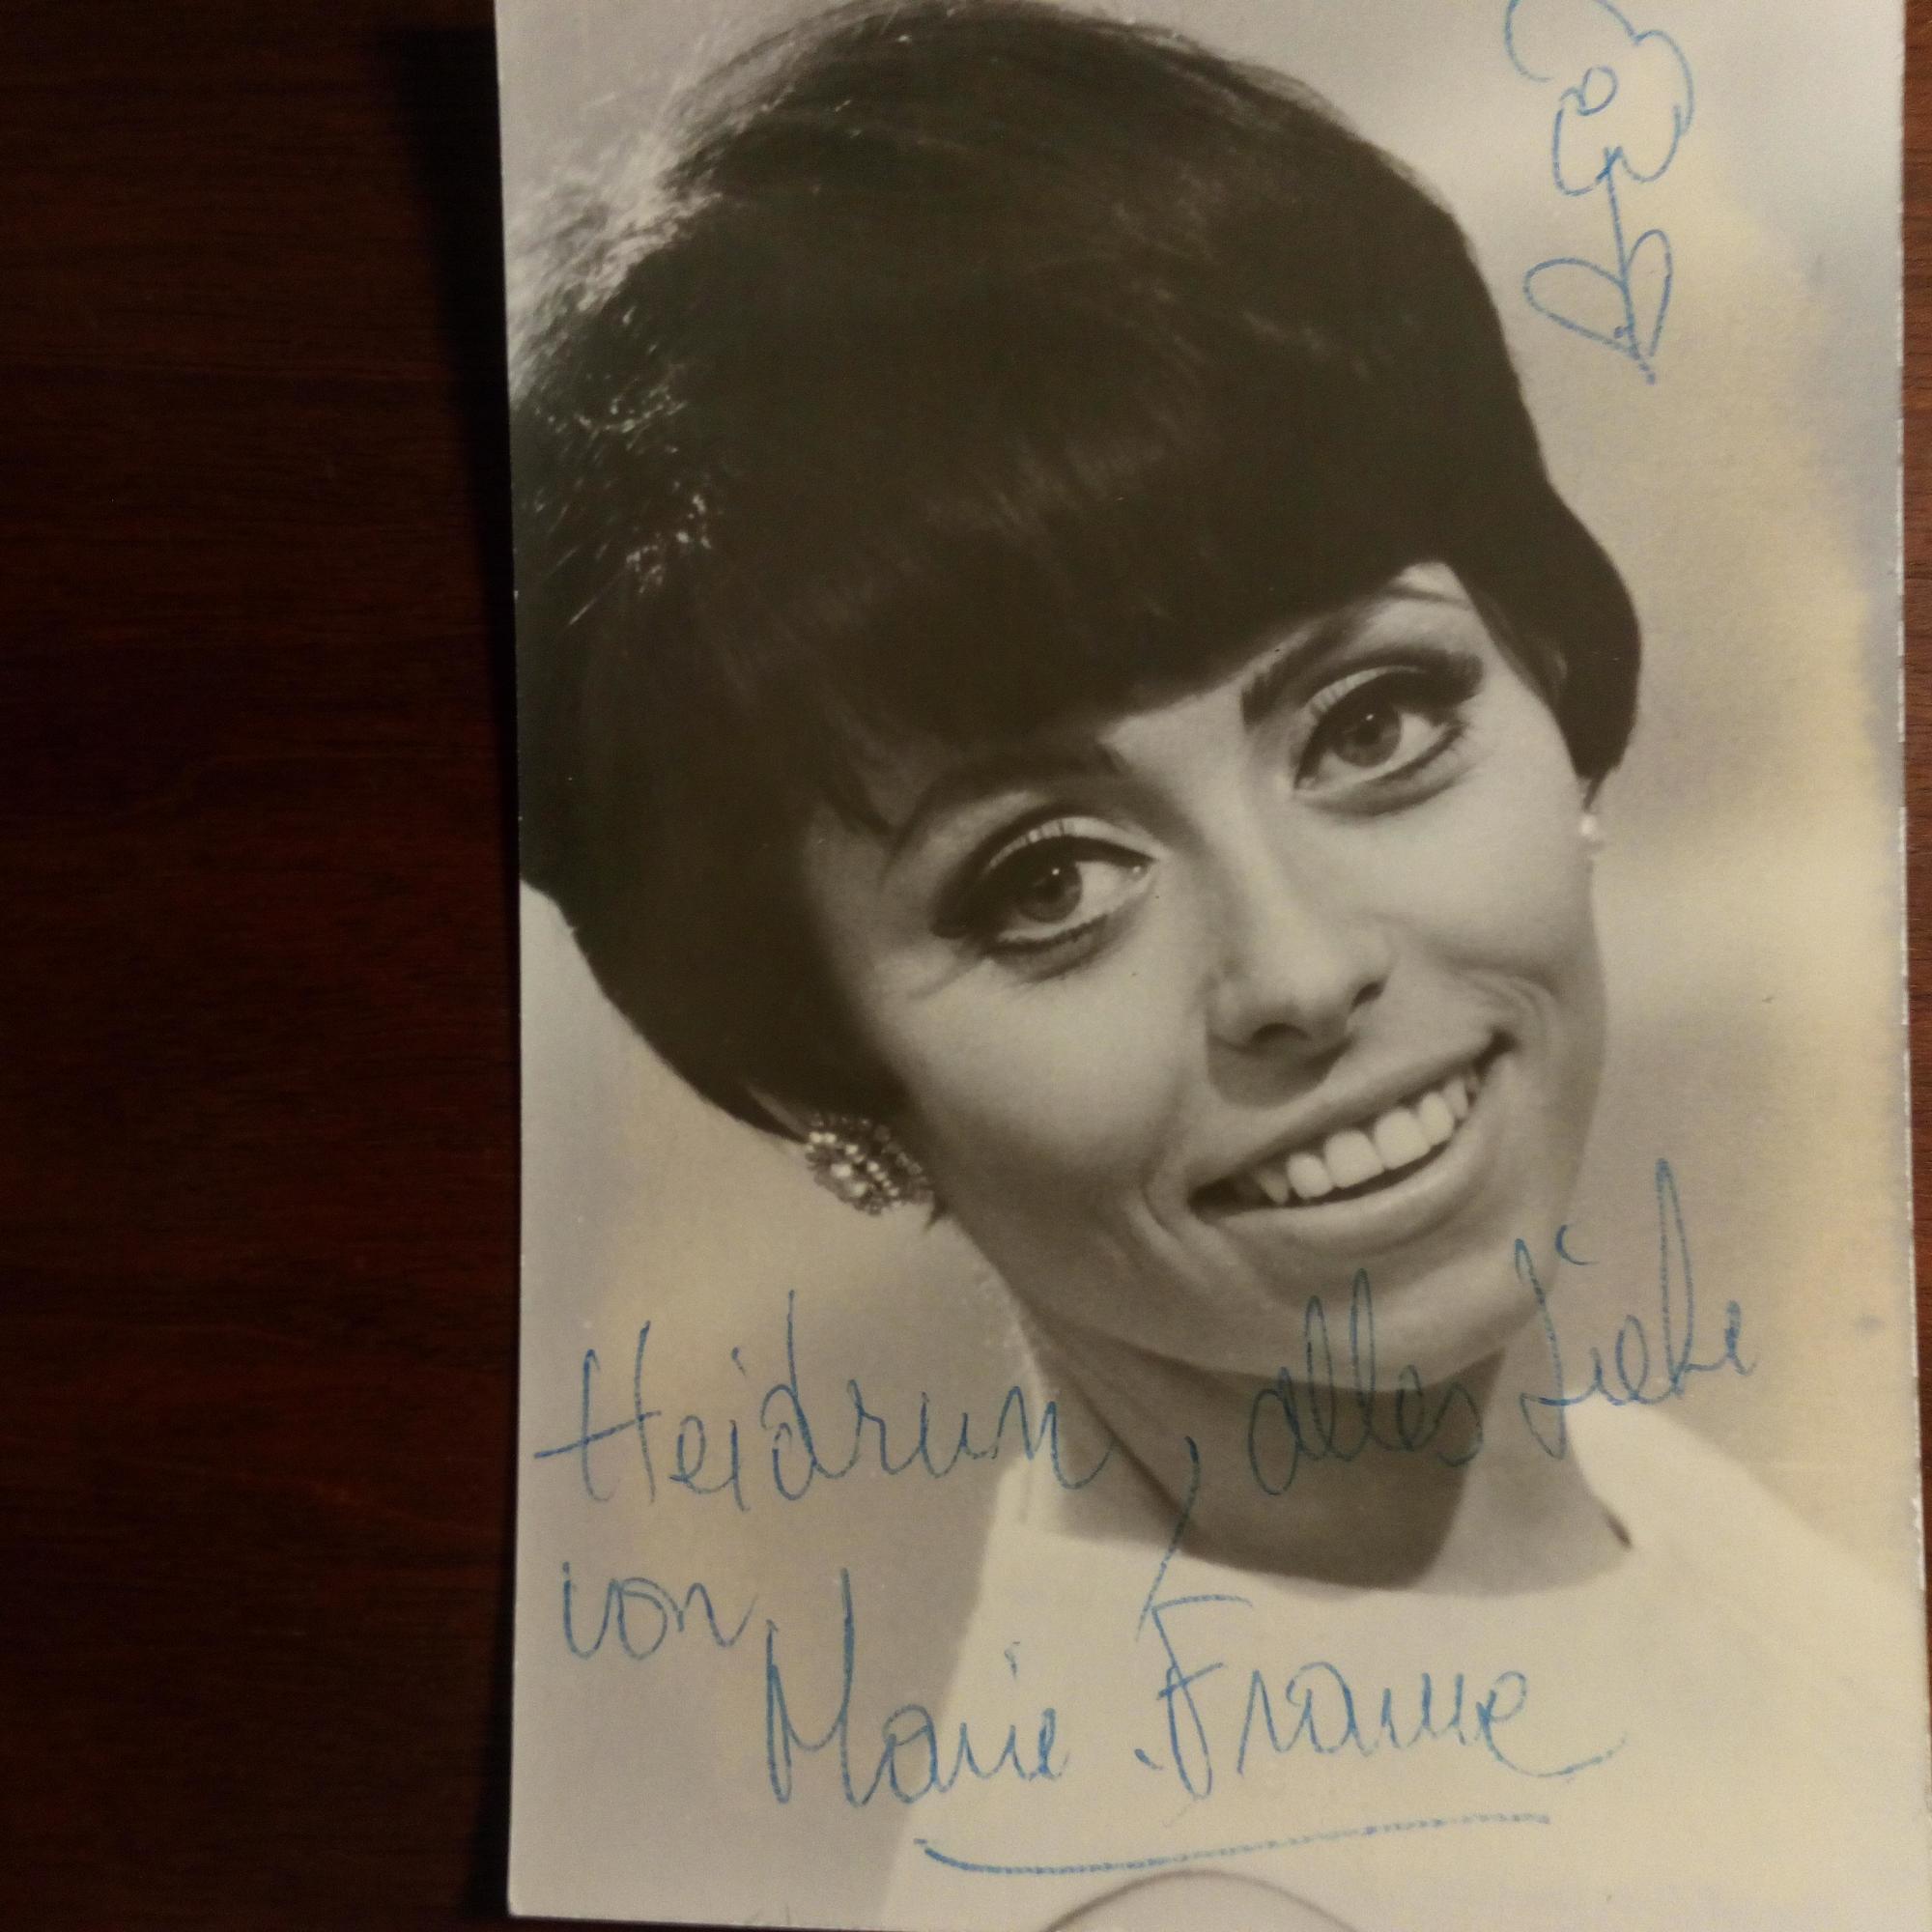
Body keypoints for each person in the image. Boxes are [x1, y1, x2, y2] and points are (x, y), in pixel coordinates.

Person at [513, 3, 1925, 1924]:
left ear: (1551, 669)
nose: (1299, 969)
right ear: (818, 1082)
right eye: (1044, 883)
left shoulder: (1632, 1496)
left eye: (1372, 720)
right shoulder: (1203, 1895)